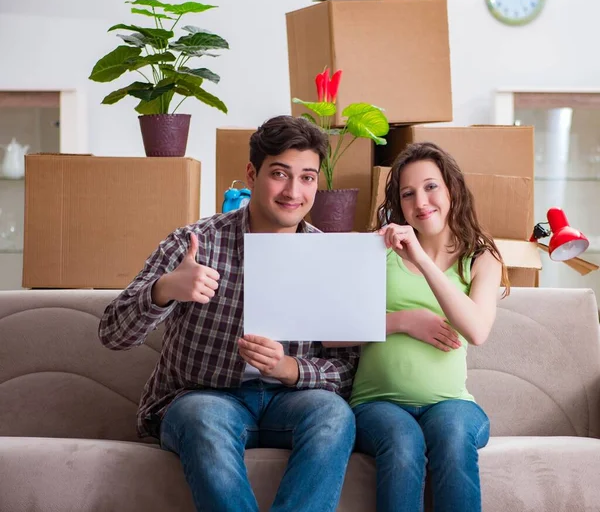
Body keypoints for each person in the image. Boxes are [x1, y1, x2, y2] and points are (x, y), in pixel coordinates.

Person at [98, 115, 360, 512]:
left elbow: (348, 367)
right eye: (280, 174)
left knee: (334, 416)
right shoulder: (195, 243)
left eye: (307, 178)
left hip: (291, 401)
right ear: (252, 174)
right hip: (204, 399)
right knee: (202, 416)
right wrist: (165, 289)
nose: (294, 191)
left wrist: (290, 368)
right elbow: (112, 333)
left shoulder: (330, 257)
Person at [323, 142, 508, 512]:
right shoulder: (379, 249)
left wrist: (421, 258)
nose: (421, 201)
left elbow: (476, 330)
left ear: (452, 189)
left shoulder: (481, 258)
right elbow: (331, 334)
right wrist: (402, 321)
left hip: (451, 405)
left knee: (454, 438)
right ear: (398, 204)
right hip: (377, 404)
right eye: (408, 194)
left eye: (431, 187)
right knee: (403, 442)